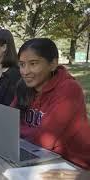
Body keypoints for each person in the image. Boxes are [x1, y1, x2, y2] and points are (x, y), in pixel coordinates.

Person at [12, 38, 90, 170]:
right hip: (35, 153)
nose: (25, 71)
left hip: (72, 164)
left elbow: (46, 139)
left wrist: (13, 138)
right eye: (22, 64)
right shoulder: (23, 87)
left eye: (33, 63)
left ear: (53, 64)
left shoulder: (69, 89)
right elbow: (9, 121)